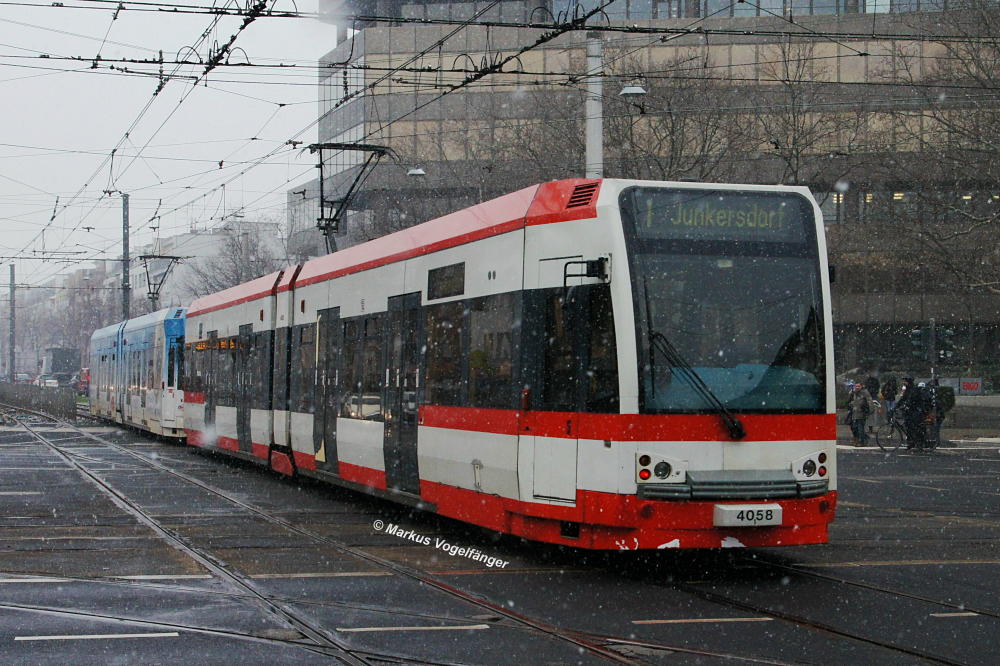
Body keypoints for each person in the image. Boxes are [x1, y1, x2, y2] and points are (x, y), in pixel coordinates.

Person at [896, 376, 930, 450]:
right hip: (910, 410)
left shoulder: (913, 390)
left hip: (917, 410)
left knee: (914, 426)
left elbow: (911, 400)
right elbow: (903, 399)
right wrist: (896, 406)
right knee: (908, 426)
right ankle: (911, 442)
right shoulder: (908, 390)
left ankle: (919, 442)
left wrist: (906, 405)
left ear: (908, 382)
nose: (903, 383)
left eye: (905, 381)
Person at [847, 382, 874, 446]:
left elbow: (870, 402)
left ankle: (862, 442)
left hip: (862, 413)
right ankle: (864, 439)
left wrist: (869, 412)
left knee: (860, 428)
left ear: (861, 386)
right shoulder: (854, 393)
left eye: (858, 386)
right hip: (854, 413)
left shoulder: (865, 393)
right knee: (854, 428)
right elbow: (850, 401)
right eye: (856, 386)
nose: (857, 387)